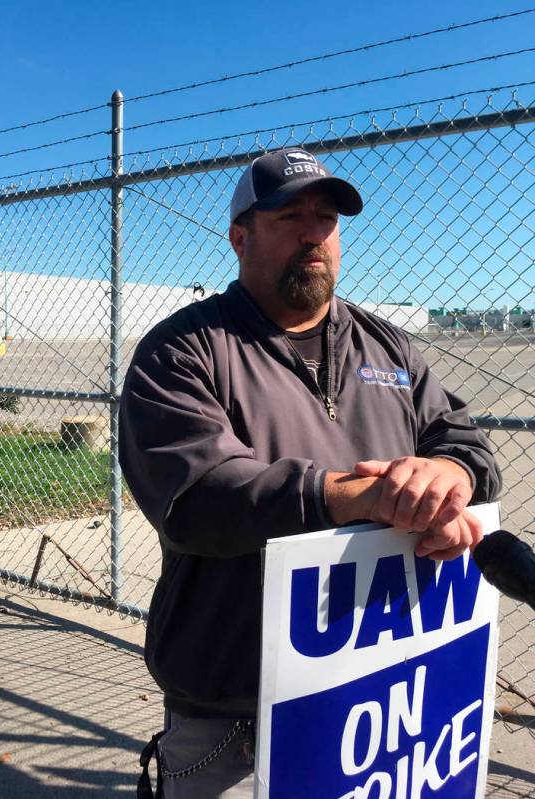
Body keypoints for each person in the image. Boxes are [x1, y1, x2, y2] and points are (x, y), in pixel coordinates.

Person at [119, 147, 501, 798]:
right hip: (235, 715)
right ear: (240, 237)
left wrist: (450, 472)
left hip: (384, 695)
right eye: (289, 215)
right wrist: (362, 495)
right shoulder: (185, 349)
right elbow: (199, 497)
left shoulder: (389, 346)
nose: (312, 233)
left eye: (325, 218)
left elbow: (462, 439)